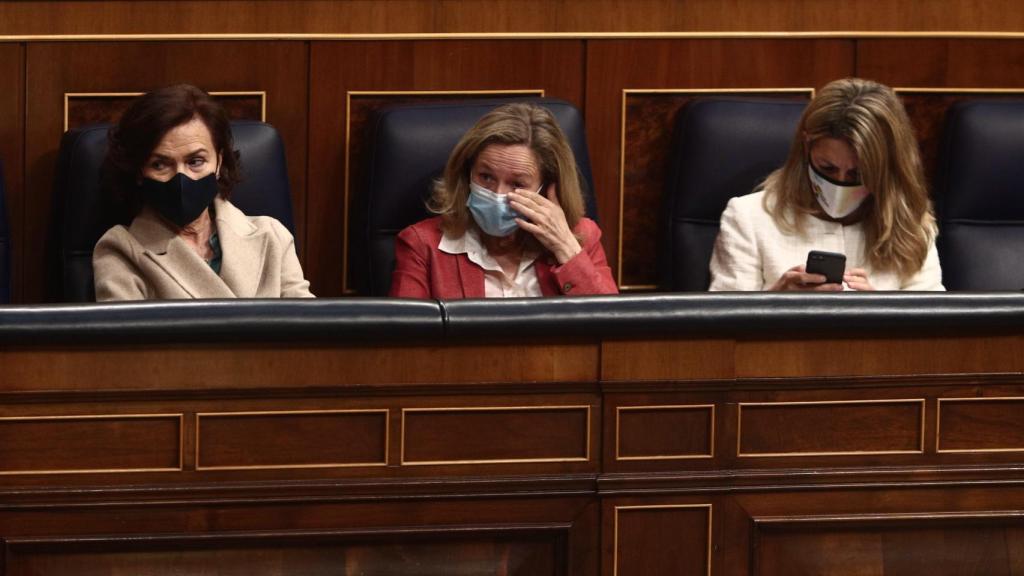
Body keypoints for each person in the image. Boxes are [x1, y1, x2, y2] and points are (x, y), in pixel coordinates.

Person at [709, 78, 944, 291]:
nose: (840, 184)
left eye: (858, 174)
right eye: (827, 168)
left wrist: (880, 311)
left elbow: (934, 330)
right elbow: (722, 329)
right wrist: (776, 301)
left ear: (886, 169)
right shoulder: (749, 217)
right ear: (806, 147)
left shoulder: (910, 224)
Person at [93, 84, 313, 300]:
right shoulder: (120, 249)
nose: (181, 177)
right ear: (139, 170)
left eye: (195, 161)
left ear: (219, 162)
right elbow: (129, 335)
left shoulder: (272, 236)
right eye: (159, 164)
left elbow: (308, 328)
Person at [389, 103, 618, 298]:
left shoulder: (582, 238)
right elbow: (404, 342)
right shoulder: (422, 245)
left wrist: (566, 248)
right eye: (486, 177)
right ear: (467, 174)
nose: (497, 194)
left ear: (546, 188)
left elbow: (613, 330)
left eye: (517, 184)